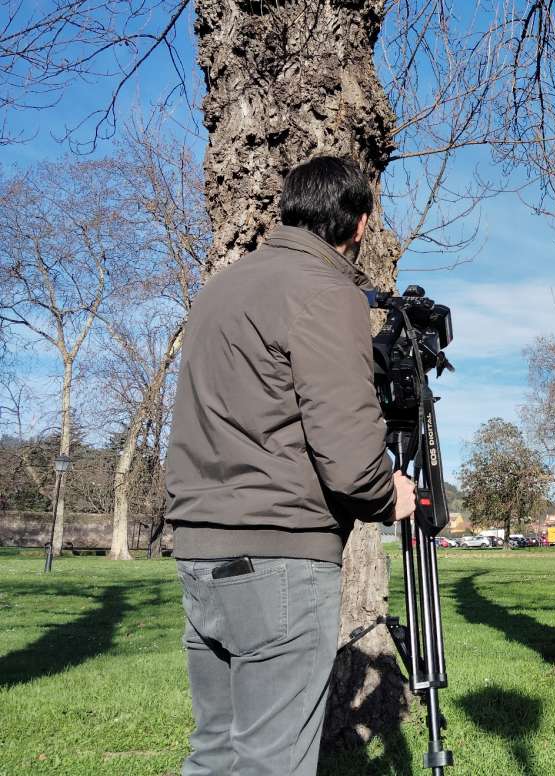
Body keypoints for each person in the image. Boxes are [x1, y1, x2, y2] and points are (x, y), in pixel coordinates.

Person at [165, 156, 416, 776]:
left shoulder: (220, 288)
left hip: (202, 550)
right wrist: (391, 496)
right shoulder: (324, 291)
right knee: (272, 763)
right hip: (278, 555)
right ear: (359, 225)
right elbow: (348, 451)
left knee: (216, 752)